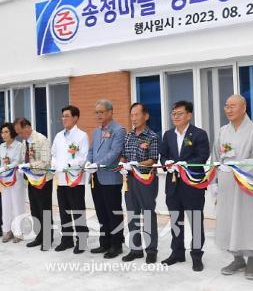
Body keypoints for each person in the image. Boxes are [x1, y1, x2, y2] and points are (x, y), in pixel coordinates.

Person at [211, 95, 253, 280]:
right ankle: (237, 259)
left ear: (244, 108)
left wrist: (237, 165)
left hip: (248, 186)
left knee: (250, 221)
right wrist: (214, 181)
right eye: (226, 106)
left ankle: (252, 260)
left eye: (233, 106)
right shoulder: (223, 132)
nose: (228, 110)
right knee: (229, 221)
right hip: (227, 186)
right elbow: (215, 157)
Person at [160, 100, 210, 272]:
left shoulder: (199, 134)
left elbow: (202, 157)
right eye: (173, 113)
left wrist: (182, 164)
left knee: (196, 220)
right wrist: (166, 162)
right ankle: (177, 252)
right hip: (173, 185)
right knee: (175, 220)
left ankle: (196, 255)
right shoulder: (168, 135)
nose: (175, 116)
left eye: (179, 113)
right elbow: (163, 155)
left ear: (189, 115)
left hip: (192, 185)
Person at [120, 102, 160, 264]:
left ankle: (151, 250)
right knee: (132, 214)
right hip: (129, 181)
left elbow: (153, 159)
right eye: (132, 115)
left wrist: (137, 164)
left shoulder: (152, 137)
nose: (134, 118)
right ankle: (135, 249)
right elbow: (123, 155)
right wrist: (122, 164)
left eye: (137, 114)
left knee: (148, 214)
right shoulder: (128, 136)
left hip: (146, 180)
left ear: (146, 116)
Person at [86, 99, 126, 259]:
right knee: (101, 212)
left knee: (113, 212)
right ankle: (105, 242)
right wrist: (89, 162)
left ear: (110, 112)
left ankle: (116, 245)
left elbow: (115, 152)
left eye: (101, 112)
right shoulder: (96, 131)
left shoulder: (119, 130)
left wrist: (97, 164)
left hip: (110, 178)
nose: (98, 115)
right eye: (96, 112)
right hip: (96, 177)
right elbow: (91, 150)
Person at [51, 105, 89, 254]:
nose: (64, 119)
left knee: (78, 210)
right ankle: (66, 240)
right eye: (63, 116)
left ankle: (82, 240)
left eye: (67, 116)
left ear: (75, 117)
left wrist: (67, 165)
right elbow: (54, 154)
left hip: (75, 179)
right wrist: (55, 165)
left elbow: (83, 157)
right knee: (64, 211)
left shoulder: (82, 136)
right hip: (61, 179)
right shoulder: (59, 135)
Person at [14, 117, 53, 251]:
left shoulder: (41, 140)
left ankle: (48, 239)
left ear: (27, 127)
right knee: (35, 210)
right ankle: (39, 236)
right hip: (31, 180)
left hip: (43, 180)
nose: (19, 135)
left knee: (45, 210)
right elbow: (21, 159)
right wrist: (19, 166)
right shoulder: (25, 142)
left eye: (20, 132)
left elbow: (45, 162)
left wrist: (28, 165)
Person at [0, 122, 25, 244]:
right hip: (4, 180)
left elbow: (17, 162)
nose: (3, 135)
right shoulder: (1, 146)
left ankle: (18, 232)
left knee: (17, 205)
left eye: (6, 132)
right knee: (5, 206)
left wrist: (4, 168)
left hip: (16, 180)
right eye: (2, 132)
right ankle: (7, 230)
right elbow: (1, 163)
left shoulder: (19, 146)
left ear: (12, 133)